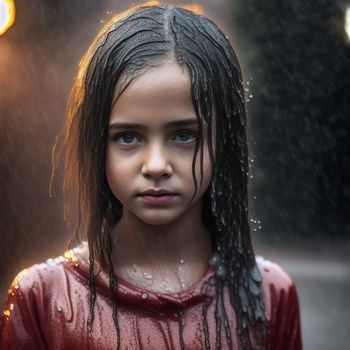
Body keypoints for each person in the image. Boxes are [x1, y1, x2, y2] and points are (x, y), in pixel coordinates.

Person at [0, 2, 302, 349]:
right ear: (97, 146)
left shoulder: (268, 295)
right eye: (128, 137)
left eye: (184, 135)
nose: (156, 165)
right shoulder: (44, 299)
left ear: (223, 142)